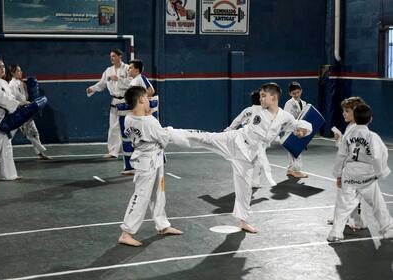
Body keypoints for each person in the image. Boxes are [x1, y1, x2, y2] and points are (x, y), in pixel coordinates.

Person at [169, 83, 312, 233]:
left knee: (245, 190)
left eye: (264, 96)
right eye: (260, 95)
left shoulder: (284, 117)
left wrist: (303, 131)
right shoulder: (255, 110)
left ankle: (243, 221)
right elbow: (245, 118)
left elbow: (298, 124)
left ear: (274, 97)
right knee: (205, 138)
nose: (260, 98)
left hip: (248, 156)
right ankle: (168, 134)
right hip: (235, 141)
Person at [118, 86, 182, 247]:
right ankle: (126, 232)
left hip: (148, 159)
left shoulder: (128, 118)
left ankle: (162, 225)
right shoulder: (150, 121)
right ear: (140, 99)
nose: (148, 100)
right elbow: (164, 140)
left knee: (157, 194)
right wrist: (168, 130)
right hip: (149, 162)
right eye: (146, 98)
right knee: (141, 196)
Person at [327, 104, 393, 242]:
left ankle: (335, 233)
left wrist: (338, 175)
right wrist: (380, 172)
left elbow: (341, 156)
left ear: (355, 118)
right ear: (371, 119)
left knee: (343, 205)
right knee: (378, 204)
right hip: (367, 176)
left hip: (350, 174)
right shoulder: (372, 136)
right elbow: (378, 155)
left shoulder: (348, 135)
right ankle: (388, 229)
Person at [327, 96, 368, 230]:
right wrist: (339, 140)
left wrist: (339, 175)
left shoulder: (355, 128)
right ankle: (350, 220)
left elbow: (346, 154)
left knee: (347, 197)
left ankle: (351, 221)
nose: (344, 113)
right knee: (348, 196)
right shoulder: (354, 127)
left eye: (347, 111)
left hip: (353, 170)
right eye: (343, 111)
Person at [86, 49, 130, 158]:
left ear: (120, 57)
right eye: (111, 56)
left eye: (114, 56)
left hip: (127, 101)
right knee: (113, 127)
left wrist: (118, 79)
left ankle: (137, 150)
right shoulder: (108, 71)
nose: (112, 58)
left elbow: (132, 83)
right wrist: (92, 89)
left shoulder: (128, 68)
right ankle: (113, 152)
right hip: (115, 101)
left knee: (130, 126)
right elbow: (102, 84)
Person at [6, 64, 52, 160]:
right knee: (8, 136)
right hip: (18, 112)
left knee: (33, 132)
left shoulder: (21, 83)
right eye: (18, 71)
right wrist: (26, 103)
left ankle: (40, 154)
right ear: (12, 73)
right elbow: (13, 99)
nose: (21, 72)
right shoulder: (12, 85)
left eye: (20, 70)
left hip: (25, 111)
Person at [283, 81, 308, 178]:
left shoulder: (304, 103)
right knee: (295, 152)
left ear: (301, 91)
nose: (296, 95)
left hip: (300, 130)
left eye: (298, 92)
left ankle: (290, 170)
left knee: (295, 151)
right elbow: (285, 118)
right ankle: (296, 171)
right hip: (291, 131)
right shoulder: (288, 104)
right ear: (290, 94)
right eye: (293, 93)